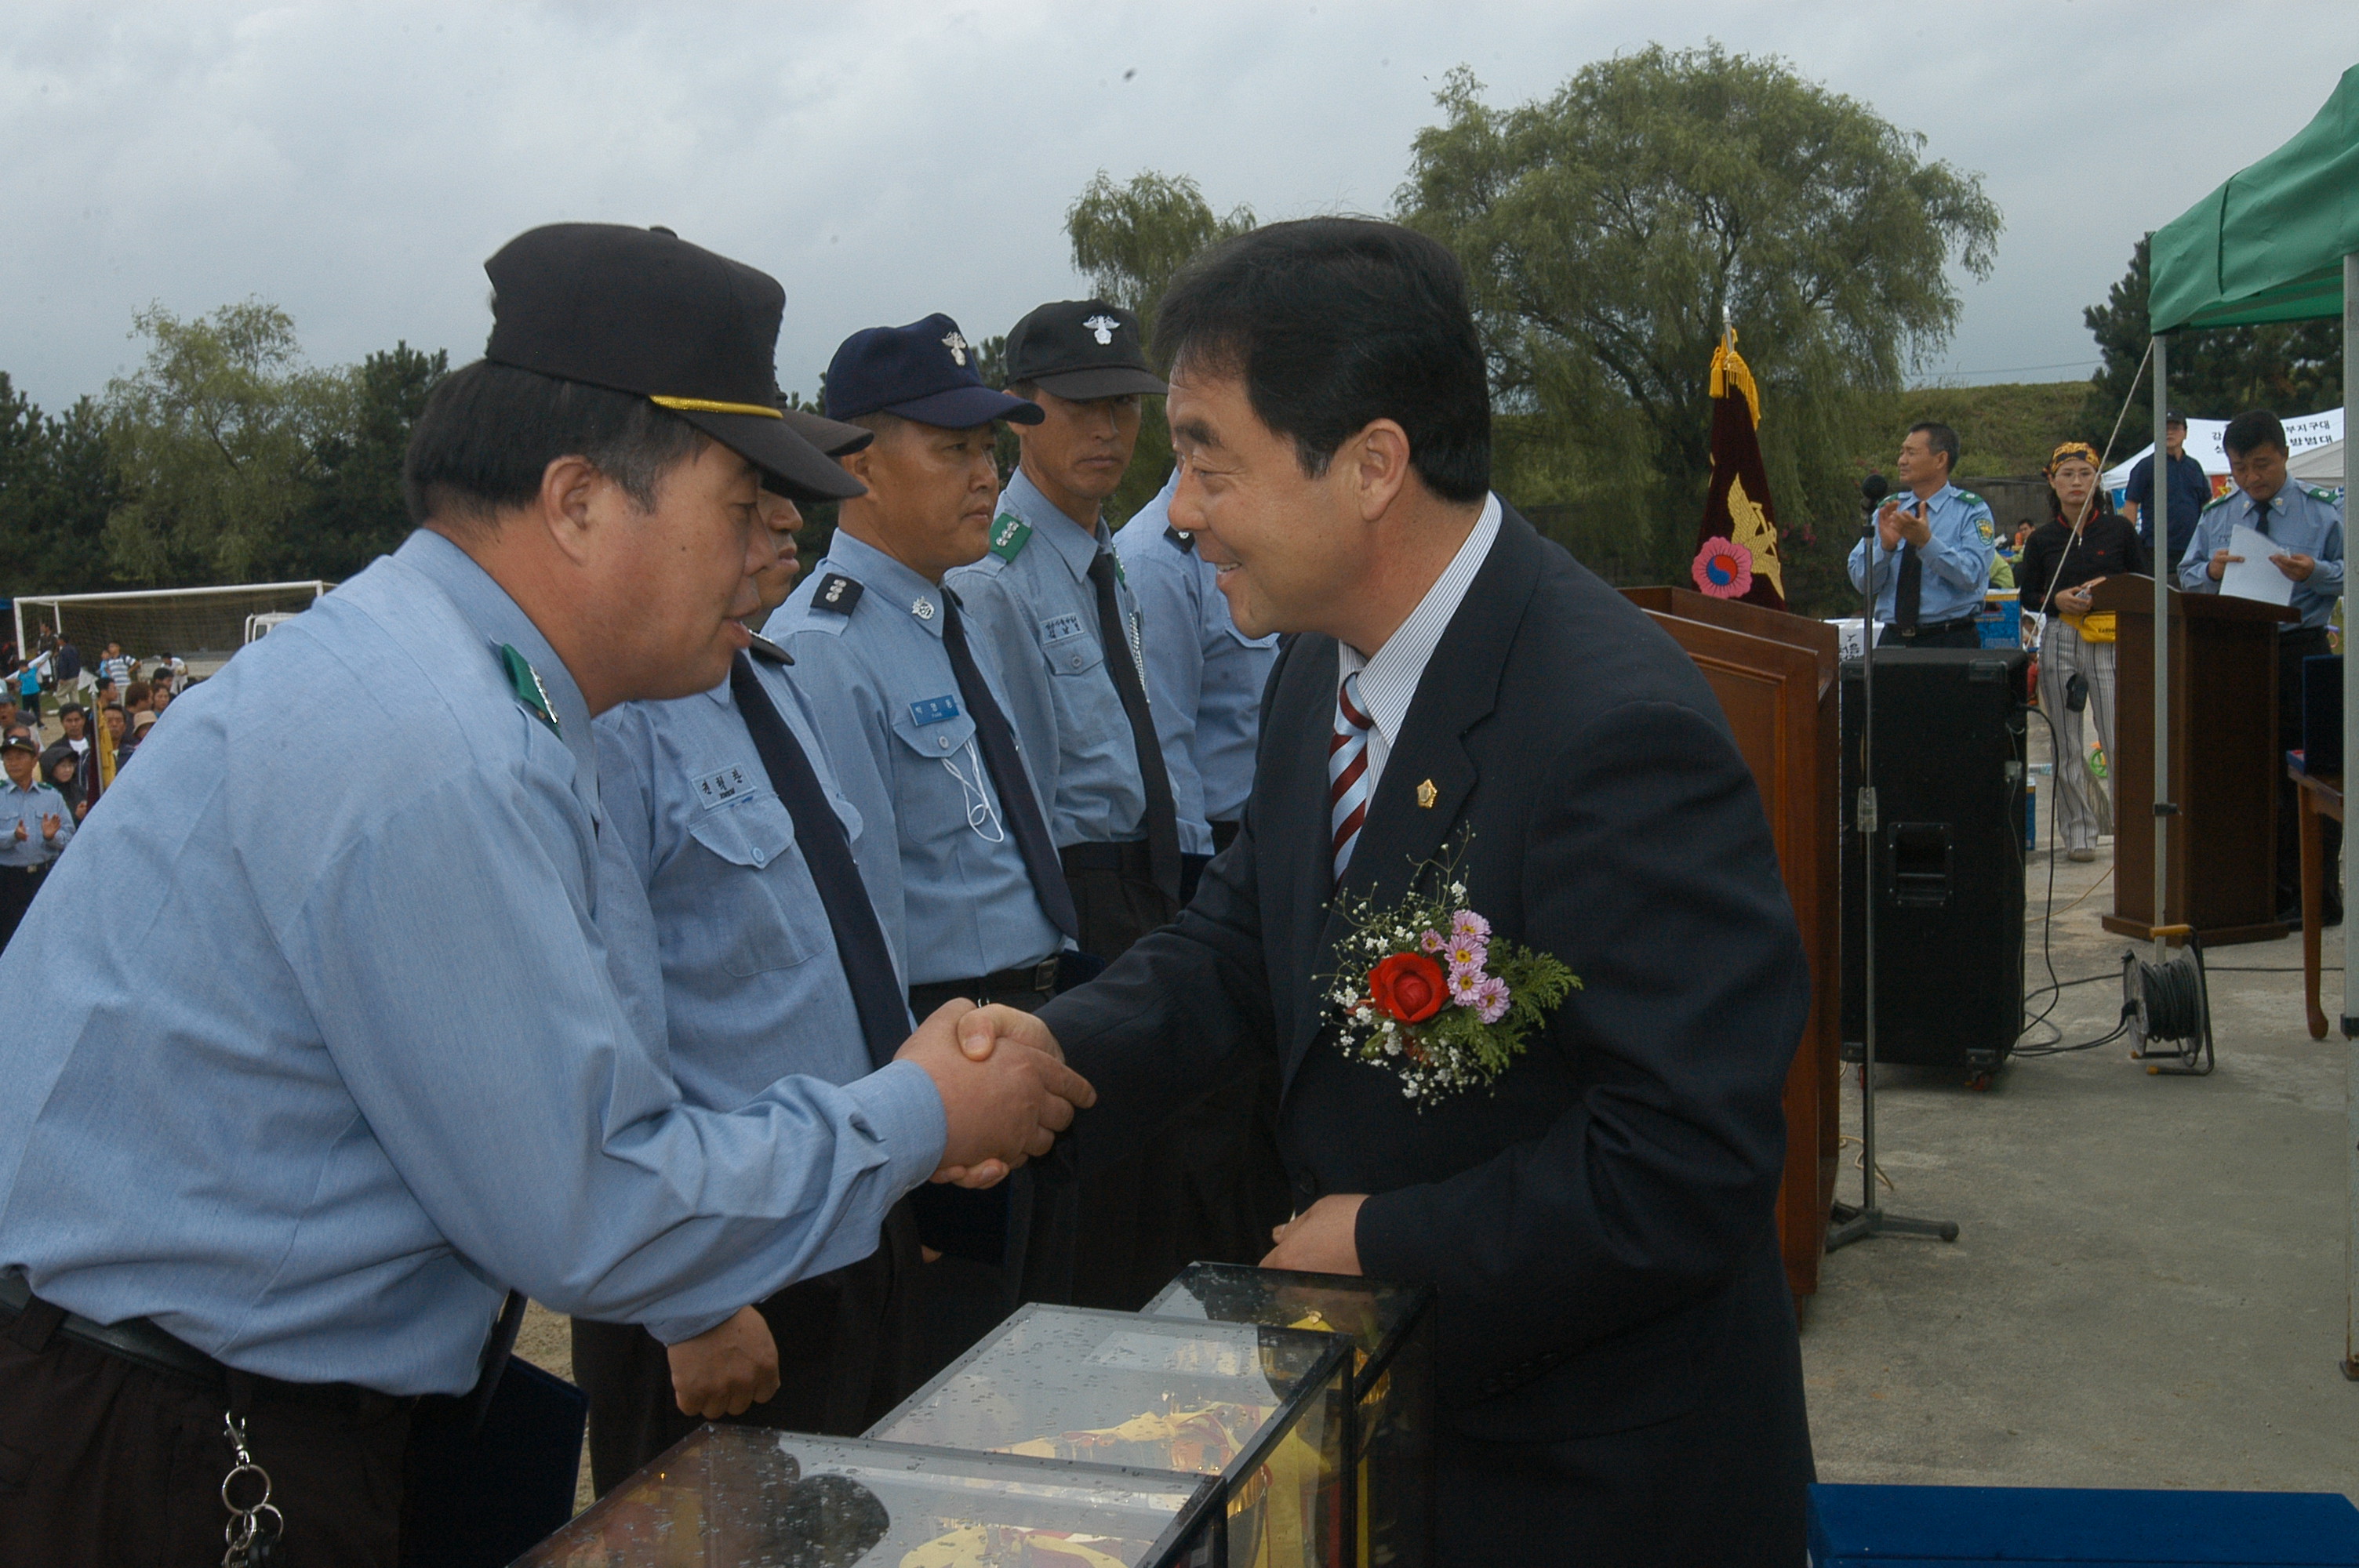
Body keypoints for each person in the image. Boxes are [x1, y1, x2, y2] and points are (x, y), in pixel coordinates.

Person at [0, 222, 1092, 1565]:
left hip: (225, 1404)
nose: (773, 545)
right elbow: (595, 1207)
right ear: (577, 501)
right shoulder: (436, 745)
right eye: (741, 504)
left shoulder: (454, 688)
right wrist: (922, 1110)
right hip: (180, 1447)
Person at [988, 218, 1816, 1565]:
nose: (1178, 507)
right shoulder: (1316, 666)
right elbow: (1239, 949)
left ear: (1372, 464)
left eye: (1207, 456)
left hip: (1591, 1484)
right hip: (1402, 1451)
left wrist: (1383, 1239)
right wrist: (1040, 1063)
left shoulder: (1611, 729)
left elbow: (1684, 1159)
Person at [572, 408, 949, 1494]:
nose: (792, 522)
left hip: (846, 1211)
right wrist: (688, 1303)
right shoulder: (613, 724)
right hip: (724, 1263)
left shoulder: (772, 679)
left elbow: (840, 949)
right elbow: (611, 1040)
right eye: (751, 496)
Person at [947, 299, 1284, 1313]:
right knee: (1110, 1219)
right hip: (1081, 896)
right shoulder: (996, 574)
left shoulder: (1102, 557)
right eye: (1077, 405)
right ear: (1019, 412)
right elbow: (1018, 793)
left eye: (1125, 407)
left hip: (1157, 883)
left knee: (1189, 1184)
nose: (1107, 431)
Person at [780, 316, 1090, 1365]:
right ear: (858, 465)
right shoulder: (821, 650)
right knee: (968, 1369)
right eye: (951, 448)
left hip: (1030, 1020)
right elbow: (858, 921)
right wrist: (904, 1157)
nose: (985, 475)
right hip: (945, 1051)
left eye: (987, 448)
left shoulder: (957, 612)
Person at [2179, 408, 2346, 926]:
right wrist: (2211, 568)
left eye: (2262, 465)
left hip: (2303, 651)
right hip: (2240, 655)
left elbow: (2351, 573)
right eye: (2240, 468)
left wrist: (2315, 571)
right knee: (2250, 775)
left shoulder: (2326, 511)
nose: (2252, 479)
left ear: (2284, 455)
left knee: (2312, 776)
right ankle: (2263, 894)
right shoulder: (2218, 513)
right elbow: (2187, 574)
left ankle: (2316, 897)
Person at [1110, 466, 1281, 899]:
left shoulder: (1258, 533)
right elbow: (1165, 748)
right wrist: (1198, 886)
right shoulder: (1156, 561)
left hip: (1280, 832)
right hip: (1222, 850)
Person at [2018, 441, 2150, 863]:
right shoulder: (2042, 539)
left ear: (2097, 480)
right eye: (2067, 474)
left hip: (2111, 637)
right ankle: (2079, 831)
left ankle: (2135, 829)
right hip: (2061, 638)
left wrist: (2108, 592)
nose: (2076, 482)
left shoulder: (2119, 531)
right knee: (2067, 741)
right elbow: (2030, 594)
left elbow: (2143, 581)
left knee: (2119, 736)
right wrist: (2057, 599)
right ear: (2052, 482)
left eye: (2085, 474)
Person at [1847, 422, 1998, 647]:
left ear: (1940, 459)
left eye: (1911, 453)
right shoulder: (1891, 509)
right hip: (1894, 638)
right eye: (1901, 453)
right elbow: (1862, 583)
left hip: (1949, 638)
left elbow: (1972, 576)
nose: (1902, 461)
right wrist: (1885, 550)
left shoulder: (1971, 510)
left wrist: (1926, 543)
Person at [0, 735, 71, 951]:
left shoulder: (51, 796)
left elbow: (70, 836)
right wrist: (13, 836)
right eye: (8, 758)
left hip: (43, 876)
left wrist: (52, 837)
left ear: (34, 761)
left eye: (19, 757)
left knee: (45, 938)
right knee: (9, 940)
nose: (13, 763)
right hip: (8, 880)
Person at [2124, 409, 2209, 568]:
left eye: (2175, 428)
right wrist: (2129, 541)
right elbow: (2131, 503)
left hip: (2192, 548)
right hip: (2156, 549)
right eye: (2164, 428)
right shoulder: (2146, 466)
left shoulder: (2194, 467)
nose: (2169, 432)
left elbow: (2206, 504)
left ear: (2185, 433)